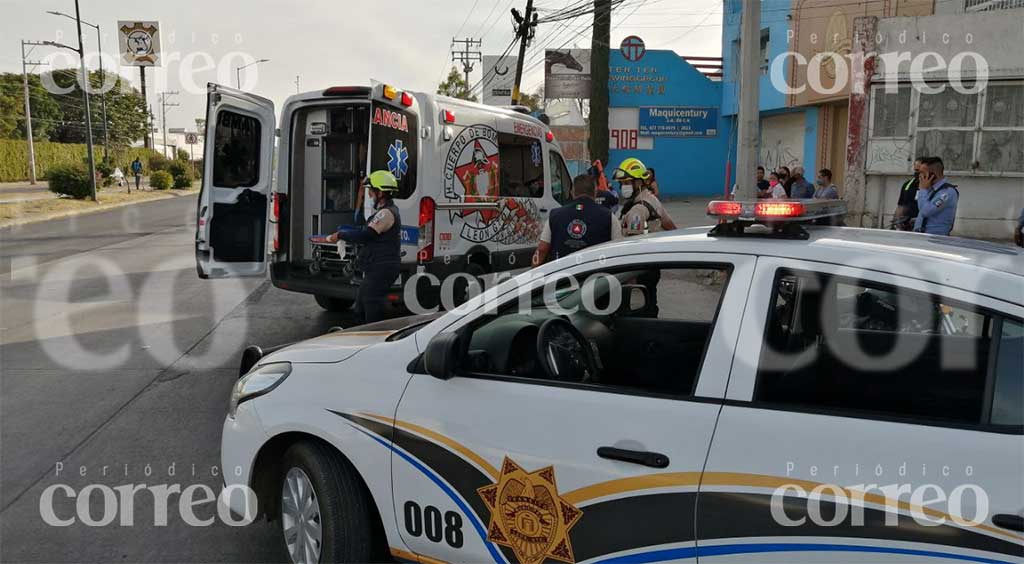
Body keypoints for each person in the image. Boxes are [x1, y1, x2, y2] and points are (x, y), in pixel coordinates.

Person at [323, 171, 402, 323]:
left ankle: (373, 339)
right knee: (361, 304)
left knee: (371, 303)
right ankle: (363, 336)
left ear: (381, 192)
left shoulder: (386, 214)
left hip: (382, 267)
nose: (370, 195)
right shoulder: (383, 212)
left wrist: (341, 235)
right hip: (376, 266)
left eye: (371, 191)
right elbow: (365, 232)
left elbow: (367, 235)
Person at [615, 157, 676, 317]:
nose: (623, 187)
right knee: (650, 304)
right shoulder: (652, 199)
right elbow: (670, 226)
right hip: (652, 264)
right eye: (622, 183)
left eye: (627, 182)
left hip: (638, 272)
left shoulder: (637, 210)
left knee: (638, 313)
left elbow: (633, 246)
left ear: (639, 182)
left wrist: (630, 280)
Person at [533, 175, 622, 265]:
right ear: (595, 192)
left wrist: (533, 274)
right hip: (595, 275)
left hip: (561, 274)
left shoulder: (555, 215)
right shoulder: (609, 217)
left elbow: (542, 250)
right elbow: (618, 251)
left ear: (572, 192)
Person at [913, 157, 959, 236]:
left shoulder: (947, 192)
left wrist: (923, 189)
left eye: (922, 172)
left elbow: (926, 212)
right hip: (922, 236)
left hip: (935, 238)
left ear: (932, 174)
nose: (920, 176)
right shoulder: (930, 189)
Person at [893, 158, 924, 231]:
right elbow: (900, 206)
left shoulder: (931, 187)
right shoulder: (907, 185)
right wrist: (896, 224)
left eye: (919, 171)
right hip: (906, 225)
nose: (917, 173)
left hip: (922, 227)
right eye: (916, 170)